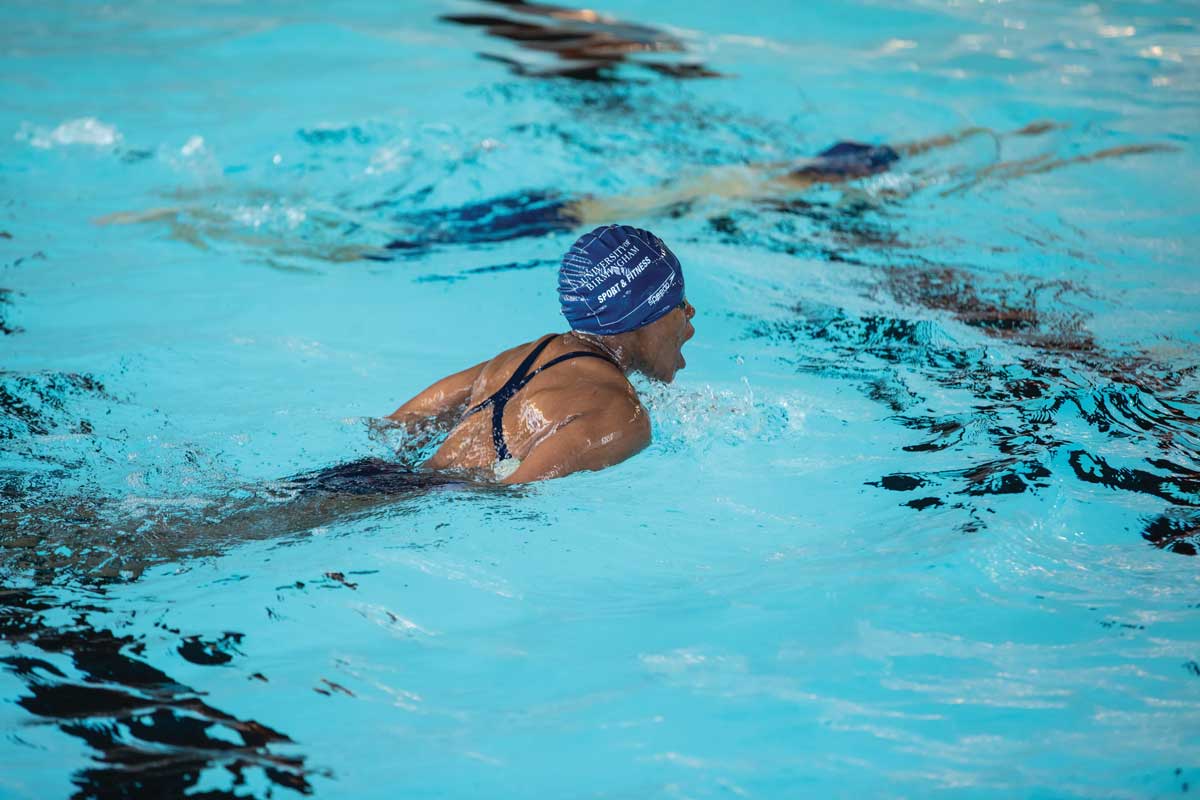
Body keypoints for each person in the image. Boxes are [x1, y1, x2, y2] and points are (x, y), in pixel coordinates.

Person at [385, 223, 695, 483]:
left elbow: (394, 428)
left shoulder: (518, 359)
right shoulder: (623, 415)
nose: (690, 312)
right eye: (680, 303)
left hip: (374, 480)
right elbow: (505, 499)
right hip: (408, 503)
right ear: (644, 315)